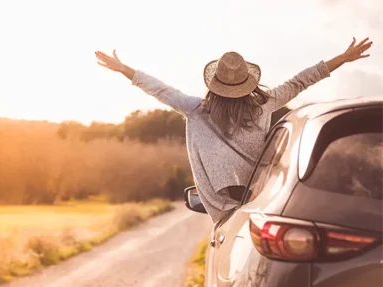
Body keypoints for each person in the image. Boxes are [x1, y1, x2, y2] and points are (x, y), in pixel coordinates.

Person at [94, 37, 373, 222]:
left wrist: (124, 69)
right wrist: (342, 58)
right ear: (247, 83)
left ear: (214, 84)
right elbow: (302, 80)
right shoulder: (264, 105)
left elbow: (160, 89)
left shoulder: (196, 110)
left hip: (227, 213)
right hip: (265, 203)